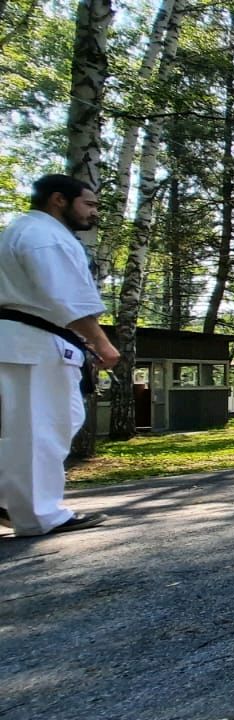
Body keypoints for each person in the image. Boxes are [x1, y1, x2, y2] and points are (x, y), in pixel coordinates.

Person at [0, 174, 118, 536]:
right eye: (90, 204)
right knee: (41, 426)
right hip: (32, 345)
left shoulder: (19, 231)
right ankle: (38, 513)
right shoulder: (44, 236)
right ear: (58, 200)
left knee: (21, 427)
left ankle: (10, 502)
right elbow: (62, 295)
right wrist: (100, 342)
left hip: (25, 339)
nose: (94, 212)